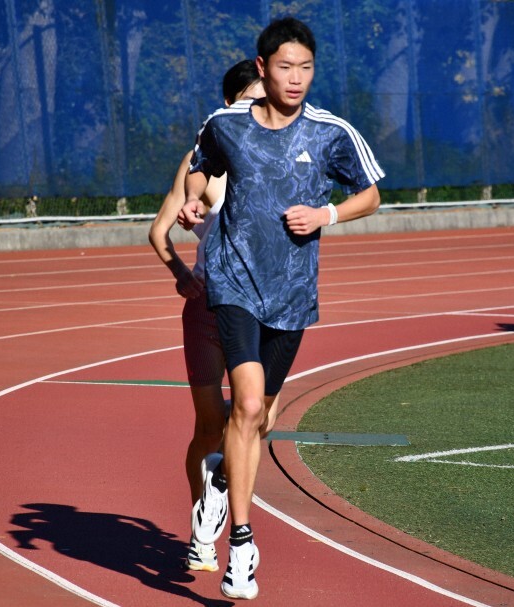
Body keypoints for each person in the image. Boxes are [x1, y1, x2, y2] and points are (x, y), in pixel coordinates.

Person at [180, 17, 384, 600]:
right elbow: (201, 168)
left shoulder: (331, 132)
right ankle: (242, 546)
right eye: (286, 67)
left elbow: (371, 192)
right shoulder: (227, 125)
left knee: (260, 419)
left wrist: (328, 216)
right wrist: (194, 205)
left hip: (292, 295)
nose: (296, 79)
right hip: (234, 282)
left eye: (306, 68)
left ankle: (220, 478)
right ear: (263, 68)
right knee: (244, 403)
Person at [148, 60, 265, 572]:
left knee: (257, 418)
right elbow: (160, 231)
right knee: (210, 426)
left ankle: (216, 498)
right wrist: (180, 274)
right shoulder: (202, 159)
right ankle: (204, 529)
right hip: (208, 309)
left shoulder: (274, 153)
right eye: (257, 97)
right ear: (235, 100)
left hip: (262, 305)